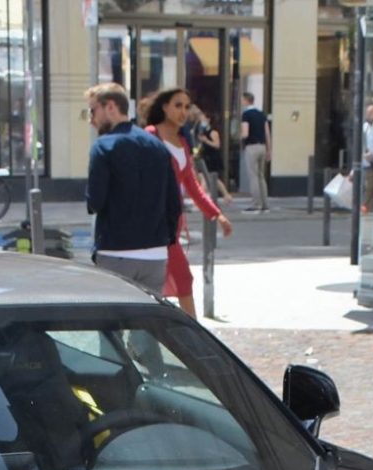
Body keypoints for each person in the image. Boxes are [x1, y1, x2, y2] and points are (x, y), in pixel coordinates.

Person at [83, 83, 181, 295]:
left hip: (116, 250)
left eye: (93, 110)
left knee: (111, 321)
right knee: (147, 322)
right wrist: (166, 239)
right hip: (155, 253)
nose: (91, 119)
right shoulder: (157, 146)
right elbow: (174, 203)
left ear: (110, 106)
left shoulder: (104, 146)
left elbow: (95, 201)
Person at [145, 88, 232, 313]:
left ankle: (188, 335)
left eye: (186, 106)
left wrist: (216, 214)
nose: (183, 111)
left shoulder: (183, 141)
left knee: (178, 280)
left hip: (171, 225)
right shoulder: (150, 136)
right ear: (164, 107)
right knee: (165, 281)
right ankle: (189, 336)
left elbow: (192, 185)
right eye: (177, 105)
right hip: (151, 224)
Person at [236, 92, 270, 212]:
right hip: (262, 146)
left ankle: (256, 204)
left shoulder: (246, 114)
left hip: (251, 147)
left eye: (242, 100)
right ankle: (265, 204)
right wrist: (269, 150)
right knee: (261, 176)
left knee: (253, 176)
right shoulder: (261, 114)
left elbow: (245, 133)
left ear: (246, 100)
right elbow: (267, 133)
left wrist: (239, 137)